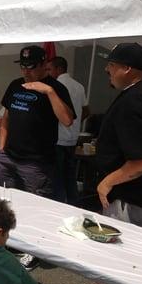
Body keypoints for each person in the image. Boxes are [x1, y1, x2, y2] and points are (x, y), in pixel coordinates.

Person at [76, 43, 142, 284]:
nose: (107, 69)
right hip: (141, 192)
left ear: (127, 69)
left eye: (111, 64)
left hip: (134, 194)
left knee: (130, 256)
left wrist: (107, 181)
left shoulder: (134, 100)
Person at [0, 45, 75, 271]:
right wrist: (1, 147)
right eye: (22, 66)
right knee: (6, 203)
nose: (26, 72)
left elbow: (68, 120)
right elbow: (7, 118)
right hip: (9, 157)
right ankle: (9, 243)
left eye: (31, 67)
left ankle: (34, 251)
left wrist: (48, 91)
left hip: (36, 162)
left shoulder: (57, 88)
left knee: (37, 209)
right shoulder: (15, 85)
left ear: (44, 66)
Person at [46, 56, 90, 204]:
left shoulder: (54, 86)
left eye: (49, 69)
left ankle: (57, 206)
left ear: (59, 69)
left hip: (57, 138)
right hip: (72, 138)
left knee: (56, 177)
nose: (47, 72)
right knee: (70, 177)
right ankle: (73, 204)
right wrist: (75, 124)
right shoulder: (79, 86)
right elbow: (86, 110)